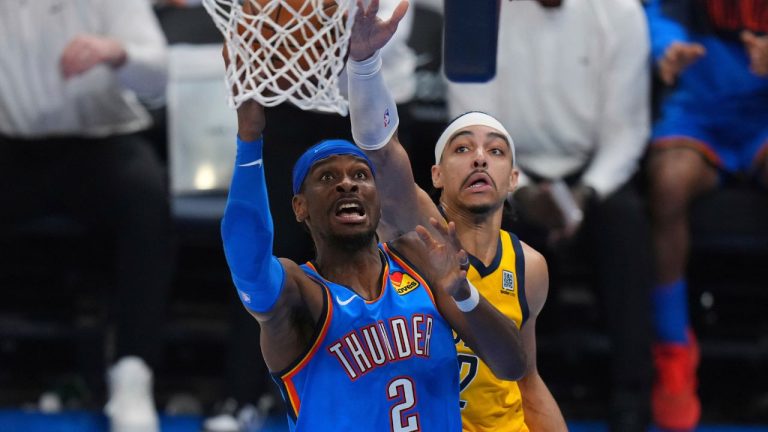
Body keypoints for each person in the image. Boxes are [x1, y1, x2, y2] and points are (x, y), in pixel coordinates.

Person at [221, 54, 527, 432]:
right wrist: (249, 140)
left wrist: (464, 293)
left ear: (378, 198)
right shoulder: (301, 292)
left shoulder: (419, 261)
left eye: (361, 175)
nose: (347, 184)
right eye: (327, 177)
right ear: (300, 207)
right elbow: (248, 265)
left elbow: (511, 366)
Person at [345, 0, 567, 430]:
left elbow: (527, 381)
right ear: (437, 174)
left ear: (512, 178)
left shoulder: (530, 267)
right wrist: (364, 64)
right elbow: (381, 154)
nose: (480, 159)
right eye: (462, 149)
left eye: (496, 151)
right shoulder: (418, 231)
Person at [438, 0, 655, 430]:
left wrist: (586, 193)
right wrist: (517, 188)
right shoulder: (478, 12)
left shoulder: (621, 13)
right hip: (508, 174)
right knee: (482, 223)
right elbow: (470, 121)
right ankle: (504, 397)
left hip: (593, 177)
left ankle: (632, 395)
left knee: (626, 225)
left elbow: (626, 129)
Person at [0, 1, 172, 431]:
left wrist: (117, 52)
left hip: (102, 144)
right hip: (14, 148)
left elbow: (157, 77)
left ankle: (133, 375)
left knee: (147, 199)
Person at [644, 0, 768, 430]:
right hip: (700, 110)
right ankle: (673, 350)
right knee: (667, 185)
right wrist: (669, 47)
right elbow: (659, 14)